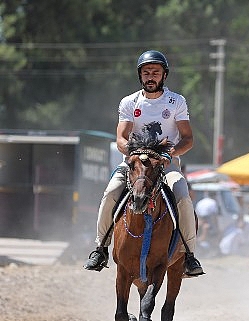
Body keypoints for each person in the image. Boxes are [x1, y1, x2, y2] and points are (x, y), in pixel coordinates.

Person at [83, 50, 204, 277]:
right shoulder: (129, 102)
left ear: (164, 75)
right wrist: (136, 155)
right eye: (146, 72)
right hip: (135, 165)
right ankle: (100, 248)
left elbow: (188, 139)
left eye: (155, 72)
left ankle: (189, 254)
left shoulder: (177, 101)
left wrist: (170, 154)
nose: (151, 76)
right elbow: (121, 138)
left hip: (167, 165)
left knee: (183, 196)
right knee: (110, 193)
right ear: (140, 76)